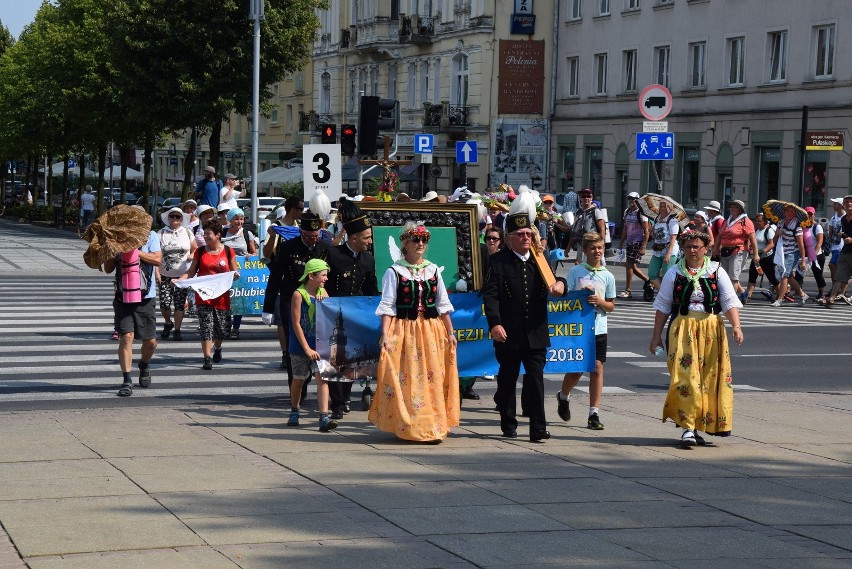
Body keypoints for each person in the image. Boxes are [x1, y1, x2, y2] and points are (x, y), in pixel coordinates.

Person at [649, 230, 743, 446]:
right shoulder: (674, 273)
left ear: (706, 248)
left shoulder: (716, 270)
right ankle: (687, 427)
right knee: (686, 378)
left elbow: (729, 300)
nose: (692, 250)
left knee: (708, 379)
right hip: (682, 328)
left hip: (711, 328)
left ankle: (700, 424)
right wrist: (656, 337)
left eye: (696, 246)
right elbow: (663, 306)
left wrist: (736, 326)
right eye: (688, 246)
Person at [369, 222, 460, 442]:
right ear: (406, 244)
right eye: (415, 240)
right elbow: (388, 305)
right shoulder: (395, 271)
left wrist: (450, 332)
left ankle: (433, 426)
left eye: (423, 240)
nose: (420, 244)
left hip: (431, 329)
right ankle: (410, 425)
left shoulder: (433, 269)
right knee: (409, 377)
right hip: (405, 329)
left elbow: (442, 304)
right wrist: (387, 335)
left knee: (433, 376)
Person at [483, 210, 566, 443]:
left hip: (535, 333)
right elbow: (491, 297)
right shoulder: (498, 262)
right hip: (508, 333)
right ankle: (508, 423)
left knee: (536, 379)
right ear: (509, 238)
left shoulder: (540, 259)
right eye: (520, 234)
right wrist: (495, 324)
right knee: (507, 380)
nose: (526, 238)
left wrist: (561, 284)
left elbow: (556, 282)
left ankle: (538, 427)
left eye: (529, 233)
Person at [262, 213, 329, 391]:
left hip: (316, 300)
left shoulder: (323, 247)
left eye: (316, 236)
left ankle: (309, 378)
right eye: (309, 236)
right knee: (295, 341)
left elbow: (327, 277)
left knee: (315, 339)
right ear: (301, 232)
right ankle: (297, 385)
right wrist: (268, 308)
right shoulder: (287, 248)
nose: (313, 240)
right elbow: (275, 277)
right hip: (290, 298)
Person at [556, 232, 616, 430]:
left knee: (597, 368)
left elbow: (611, 306)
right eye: (593, 248)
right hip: (580, 328)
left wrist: (600, 302)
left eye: (600, 248)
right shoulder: (576, 272)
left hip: (598, 327)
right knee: (577, 370)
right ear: (585, 250)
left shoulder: (608, 276)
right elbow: (568, 299)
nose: (597, 251)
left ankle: (594, 413)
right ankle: (563, 396)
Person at [324, 211, 379, 420]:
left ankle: (346, 397)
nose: (369, 241)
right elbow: (321, 281)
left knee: (352, 360)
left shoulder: (368, 259)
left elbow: (370, 289)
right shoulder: (333, 254)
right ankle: (337, 404)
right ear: (353, 238)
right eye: (366, 237)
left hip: (356, 315)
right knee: (335, 360)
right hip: (333, 316)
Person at [103, 224, 162, 397]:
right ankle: (127, 380)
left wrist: (136, 251)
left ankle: (144, 365)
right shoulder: (117, 236)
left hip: (145, 297)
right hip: (123, 296)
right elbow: (108, 269)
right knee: (126, 337)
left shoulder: (150, 235)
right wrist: (112, 251)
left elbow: (158, 259)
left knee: (150, 342)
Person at [286, 258, 338, 432]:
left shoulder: (323, 292)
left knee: (323, 379)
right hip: (301, 345)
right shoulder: (298, 295)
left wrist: (325, 298)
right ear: (311, 276)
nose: (326, 279)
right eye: (323, 275)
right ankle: (295, 409)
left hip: (320, 345)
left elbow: (329, 318)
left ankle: (324, 415)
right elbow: (296, 323)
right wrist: (306, 348)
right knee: (299, 379)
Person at [180, 220, 240, 369]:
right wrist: (179, 280)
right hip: (204, 296)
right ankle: (207, 357)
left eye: (209, 234)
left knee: (221, 329)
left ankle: (218, 348)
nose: (205, 236)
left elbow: (235, 271)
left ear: (218, 235)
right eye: (204, 233)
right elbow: (191, 272)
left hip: (221, 296)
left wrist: (235, 275)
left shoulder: (228, 251)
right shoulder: (200, 252)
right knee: (206, 327)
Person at [156, 207, 197, 341]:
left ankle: (177, 329)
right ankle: (168, 323)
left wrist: (191, 255)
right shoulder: (160, 233)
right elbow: (155, 254)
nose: (175, 219)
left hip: (182, 274)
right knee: (165, 303)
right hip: (164, 273)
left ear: (181, 219)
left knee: (179, 304)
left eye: (177, 217)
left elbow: (195, 248)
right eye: (172, 216)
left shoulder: (187, 232)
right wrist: (156, 272)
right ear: (168, 218)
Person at [711, 200, 759, 303]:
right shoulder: (726, 221)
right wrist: (715, 248)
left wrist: (756, 254)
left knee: (733, 277)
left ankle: (729, 301)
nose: (732, 209)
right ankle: (743, 293)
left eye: (735, 207)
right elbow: (720, 235)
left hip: (738, 251)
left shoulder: (746, 221)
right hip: (724, 251)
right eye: (731, 206)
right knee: (724, 277)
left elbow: (753, 238)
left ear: (740, 210)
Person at [221, 207, 257, 339]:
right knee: (226, 298)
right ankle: (226, 324)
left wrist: (250, 255)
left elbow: (254, 252)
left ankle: (236, 327)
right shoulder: (223, 233)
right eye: (236, 219)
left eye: (241, 219)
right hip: (225, 271)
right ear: (230, 220)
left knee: (238, 298)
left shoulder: (248, 234)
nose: (239, 221)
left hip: (241, 272)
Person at [770, 203, 809, 307]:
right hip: (782, 252)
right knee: (789, 277)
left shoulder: (797, 226)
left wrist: (803, 261)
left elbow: (801, 245)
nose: (789, 213)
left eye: (791, 211)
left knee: (784, 275)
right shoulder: (781, 223)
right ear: (784, 212)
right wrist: (777, 233)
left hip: (793, 253)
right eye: (787, 211)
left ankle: (779, 299)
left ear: (795, 213)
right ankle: (802, 294)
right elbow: (774, 240)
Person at [617, 192, 650, 299]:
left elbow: (646, 230)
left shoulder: (641, 212)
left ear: (638, 200)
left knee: (629, 265)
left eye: (634, 199)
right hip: (630, 241)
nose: (631, 200)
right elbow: (625, 228)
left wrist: (644, 246)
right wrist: (621, 242)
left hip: (638, 241)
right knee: (632, 266)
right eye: (630, 198)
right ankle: (648, 281)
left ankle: (628, 290)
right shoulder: (627, 211)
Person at [646, 200, 680, 298]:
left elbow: (673, 238)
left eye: (664, 206)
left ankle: (668, 296)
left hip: (669, 249)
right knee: (652, 273)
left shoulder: (672, 220)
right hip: (657, 249)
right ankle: (664, 294)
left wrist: (668, 254)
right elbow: (655, 236)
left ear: (669, 208)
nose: (662, 208)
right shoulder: (657, 219)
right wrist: (651, 231)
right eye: (661, 206)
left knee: (667, 276)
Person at [564, 188, 606, 264]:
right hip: (582, 246)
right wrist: (568, 248)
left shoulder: (596, 211)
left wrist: (601, 246)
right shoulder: (579, 212)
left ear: (591, 197)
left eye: (588, 196)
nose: (586, 198)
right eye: (583, 196)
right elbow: (574, 231)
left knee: (595, 270)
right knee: (583, 269)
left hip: (593, 246)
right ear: (580, 198)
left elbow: (602, 229)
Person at [824, 195, 852, 308]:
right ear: (843, 205)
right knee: (839, 276)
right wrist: (843, 235)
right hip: (845, 251)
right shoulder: (843, 220)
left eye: (851, 202)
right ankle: (831, 298)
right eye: (846, 202)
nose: (849, 203)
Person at [746, 213, 778, 303]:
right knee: (752, 277)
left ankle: (780, 296)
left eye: (760, 221)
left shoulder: (769, 231)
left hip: (767, 258)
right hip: (756, 258)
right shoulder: (756, 230)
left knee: (772, 278)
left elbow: (771, 244)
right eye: (756, 221)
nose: (757, 223)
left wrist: (761, 252)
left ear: (765, 222)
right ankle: (747, 297)